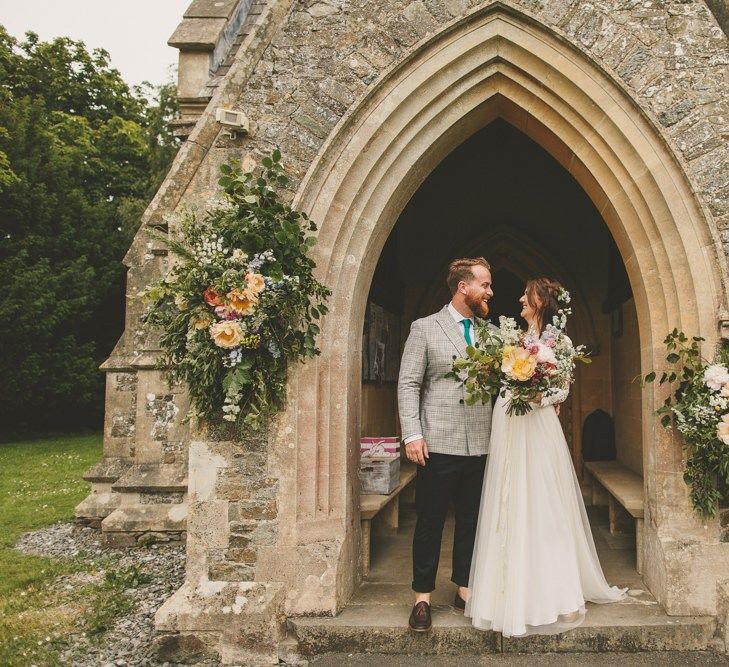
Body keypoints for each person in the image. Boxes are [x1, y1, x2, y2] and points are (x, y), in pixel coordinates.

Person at [466, 277, 626, 637]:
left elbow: (562, 390)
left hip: (537, 427)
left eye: (527, 294)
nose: (521, 298)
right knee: (508, 503)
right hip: (509, 423)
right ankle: (505, 594)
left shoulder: (561, 343)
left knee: (544, 504)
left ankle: (560, 594)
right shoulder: (513, 340)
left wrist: (537, 395)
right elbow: (503, 380)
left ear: (541, 301)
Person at [398, 257, 494, 632]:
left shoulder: (488, 333)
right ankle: (422, 597)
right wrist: (412, 433)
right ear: (463, 287)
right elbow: (408, 383)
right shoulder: (425, 328)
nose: (490, 291)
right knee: (430, 520)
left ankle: (464, 588)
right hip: (437, 441)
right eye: (485, 284)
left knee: (471, 519)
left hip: (481, 441)